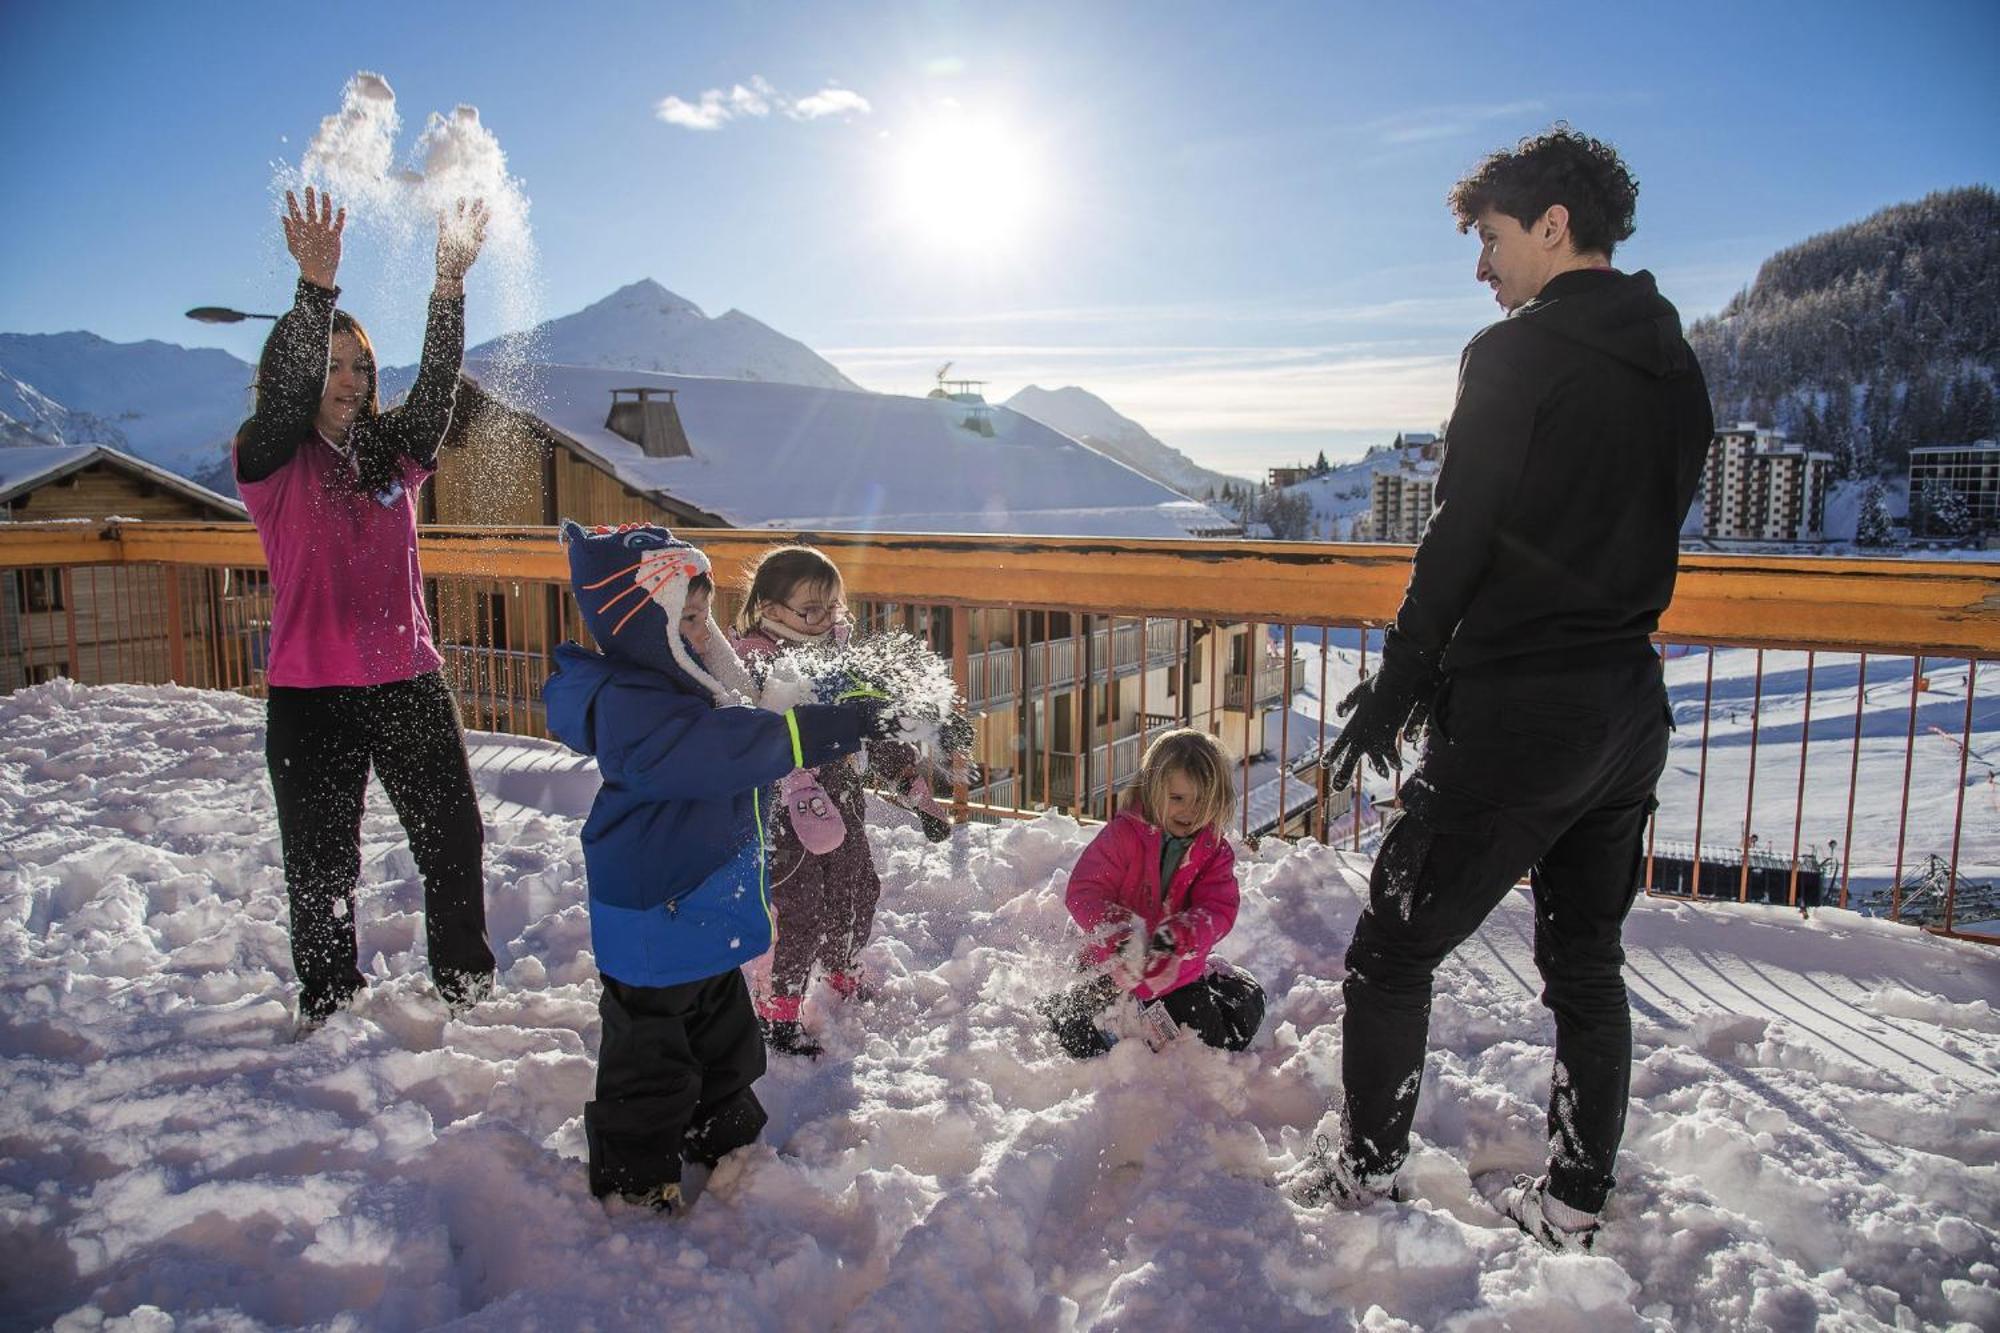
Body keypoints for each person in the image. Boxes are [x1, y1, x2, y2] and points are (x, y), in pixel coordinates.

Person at [1288, 126, 1713, 1251]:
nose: (1480, 267)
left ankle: (1367, 1175)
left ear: (1551, 226)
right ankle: (1574, 1202)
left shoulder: (1515, 353)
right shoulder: (1673, 361)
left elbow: (1459, 533)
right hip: (1627, 703)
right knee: (1584, 960)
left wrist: (1397, 686)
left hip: (1524, 709)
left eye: (1488, 237)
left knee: (1390, 949)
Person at [543, 522, 920, 1213]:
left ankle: (725, 1131)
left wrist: (839, 715)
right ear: (636, 623)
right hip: (656, 906)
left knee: (724, 1032)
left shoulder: (691, 686)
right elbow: (721, 752)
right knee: (648, 1052)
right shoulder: (634, 702)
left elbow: (742, 730)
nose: (696, 629)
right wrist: (818, 728)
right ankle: (633, 1176)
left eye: (700, 615)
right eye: (680, 617)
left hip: (701, 901)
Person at [234, 187, 496, 1032]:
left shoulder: (390, 454)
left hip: (410, 681)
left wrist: (448, 288)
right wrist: (316, 291)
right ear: (295, 371)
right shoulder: (269, 457)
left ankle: (466, 987)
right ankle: (330, 1001)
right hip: (312, 695)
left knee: (453, 840)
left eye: (359, 367)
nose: (347, 381)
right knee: (320, 865)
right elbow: (279, 413)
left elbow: (437, 400)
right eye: (329, 365)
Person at [728, 545, 944, 1058]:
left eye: (833, 608)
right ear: (771, 609)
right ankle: (777, 1012)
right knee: (797, 909)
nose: (826, 620)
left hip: (841, 801)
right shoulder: (752, 666)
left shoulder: (840, 662)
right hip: (781, 815)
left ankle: (842, 967)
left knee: (855, 889)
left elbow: (873, 730)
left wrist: (911, 784)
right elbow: (748, 742)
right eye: (812, 610)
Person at [1040, 729, 1265, 1057]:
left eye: (1200, 801)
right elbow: (1084, 891)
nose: (1188, 812)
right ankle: (1062, 1007)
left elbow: (1219, 908)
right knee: (1080, 1043)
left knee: (1213, 1048)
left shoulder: (1213, 851)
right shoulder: (1123, 836)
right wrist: (1119, 932)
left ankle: (1229, 986)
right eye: (1177, 799)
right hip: (1107, 968)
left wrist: (1181, 935)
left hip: (1175, 978)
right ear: (1153, 792)